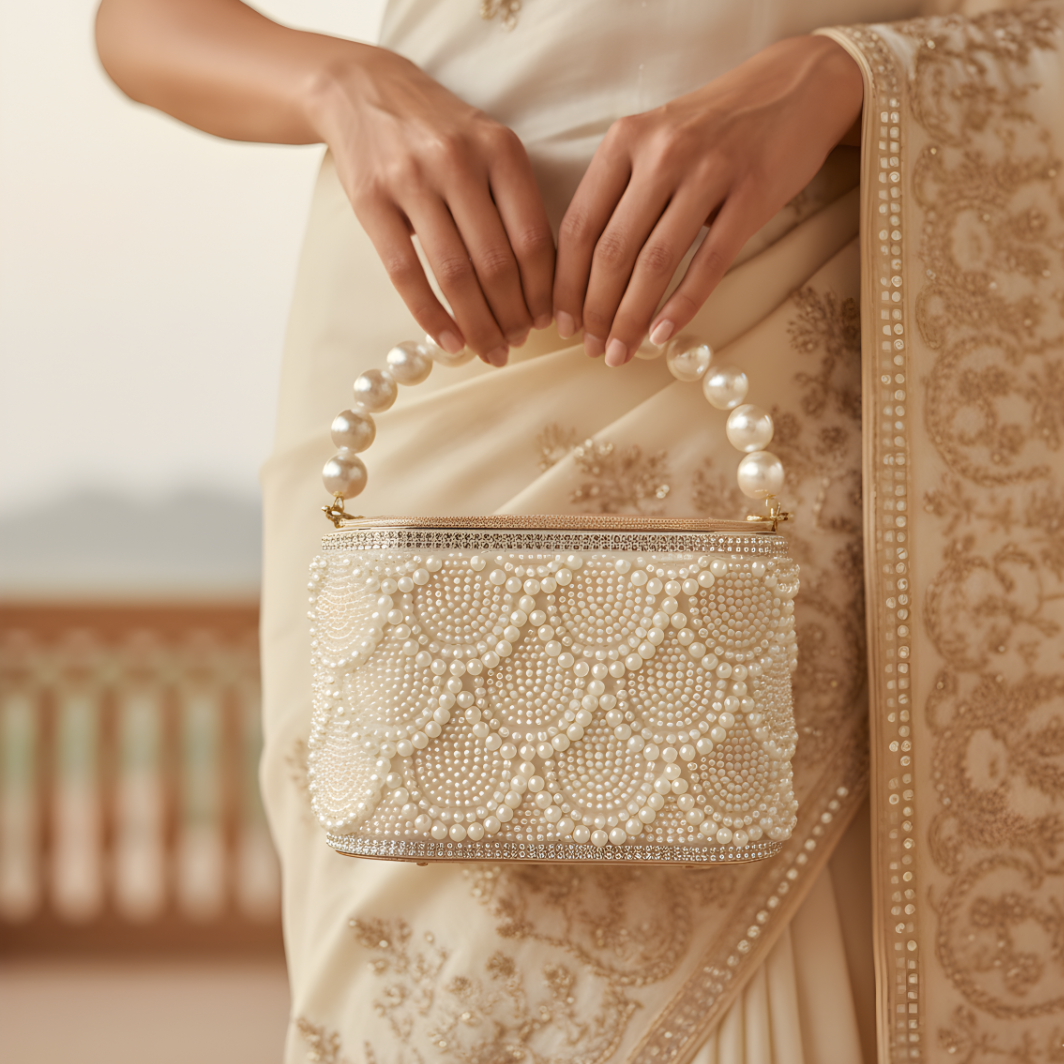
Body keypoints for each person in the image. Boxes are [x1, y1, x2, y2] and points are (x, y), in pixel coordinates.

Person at [95, 1, 1064, 1061]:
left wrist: (836, 76)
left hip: (820, 335)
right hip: (426, 366)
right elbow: (136, 23)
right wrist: (342, 87)